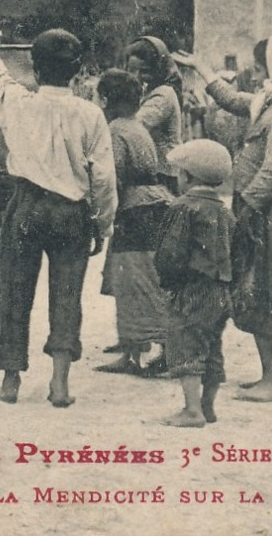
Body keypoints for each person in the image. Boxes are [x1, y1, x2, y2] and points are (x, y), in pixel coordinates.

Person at [0, 13, 116, 408]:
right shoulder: (91, 114)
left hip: (25, 206)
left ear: (35, 68)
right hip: (71, 213)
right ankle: (59, 385)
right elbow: (105, 180)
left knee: (14, 292)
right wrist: (102, 224)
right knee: (66, 296)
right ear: (78, 71)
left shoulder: (17, 102)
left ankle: (10, 382)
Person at [174, 36, 272, 402]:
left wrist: (243, 211)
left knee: (267, 294)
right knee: (270, 294)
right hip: (263, 212)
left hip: (266, 215)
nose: (255, 76)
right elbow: (229, 99)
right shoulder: (271, 103)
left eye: (259, 68)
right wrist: (200, 68)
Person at [93, 69, 173, 378]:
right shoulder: (137, 126)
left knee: (136, 281)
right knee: (136, 279)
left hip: (134, 209)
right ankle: (134, 350)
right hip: (151, 204)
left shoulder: (114, 130)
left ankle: (150, 350)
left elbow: (114, 176)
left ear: (106, 99)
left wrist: (101, 214)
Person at [154, 138, 237, 428]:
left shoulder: (183, 208)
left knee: (186, 342)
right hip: (221, 291)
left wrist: (166, 279)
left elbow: (170, 252)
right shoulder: (226, 212)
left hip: (192, 289)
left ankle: (191, 410)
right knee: (212, 346)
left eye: (179, 173)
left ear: (188, 176)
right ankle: (207, 407)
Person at [124, 36, 185, 192]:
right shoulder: (148, 90)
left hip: (162, 175)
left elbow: (136, 125)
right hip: (151, 171)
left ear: (158, 69)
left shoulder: (164, 94)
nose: (135, 77)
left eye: (144, 71)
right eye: (131, 70)